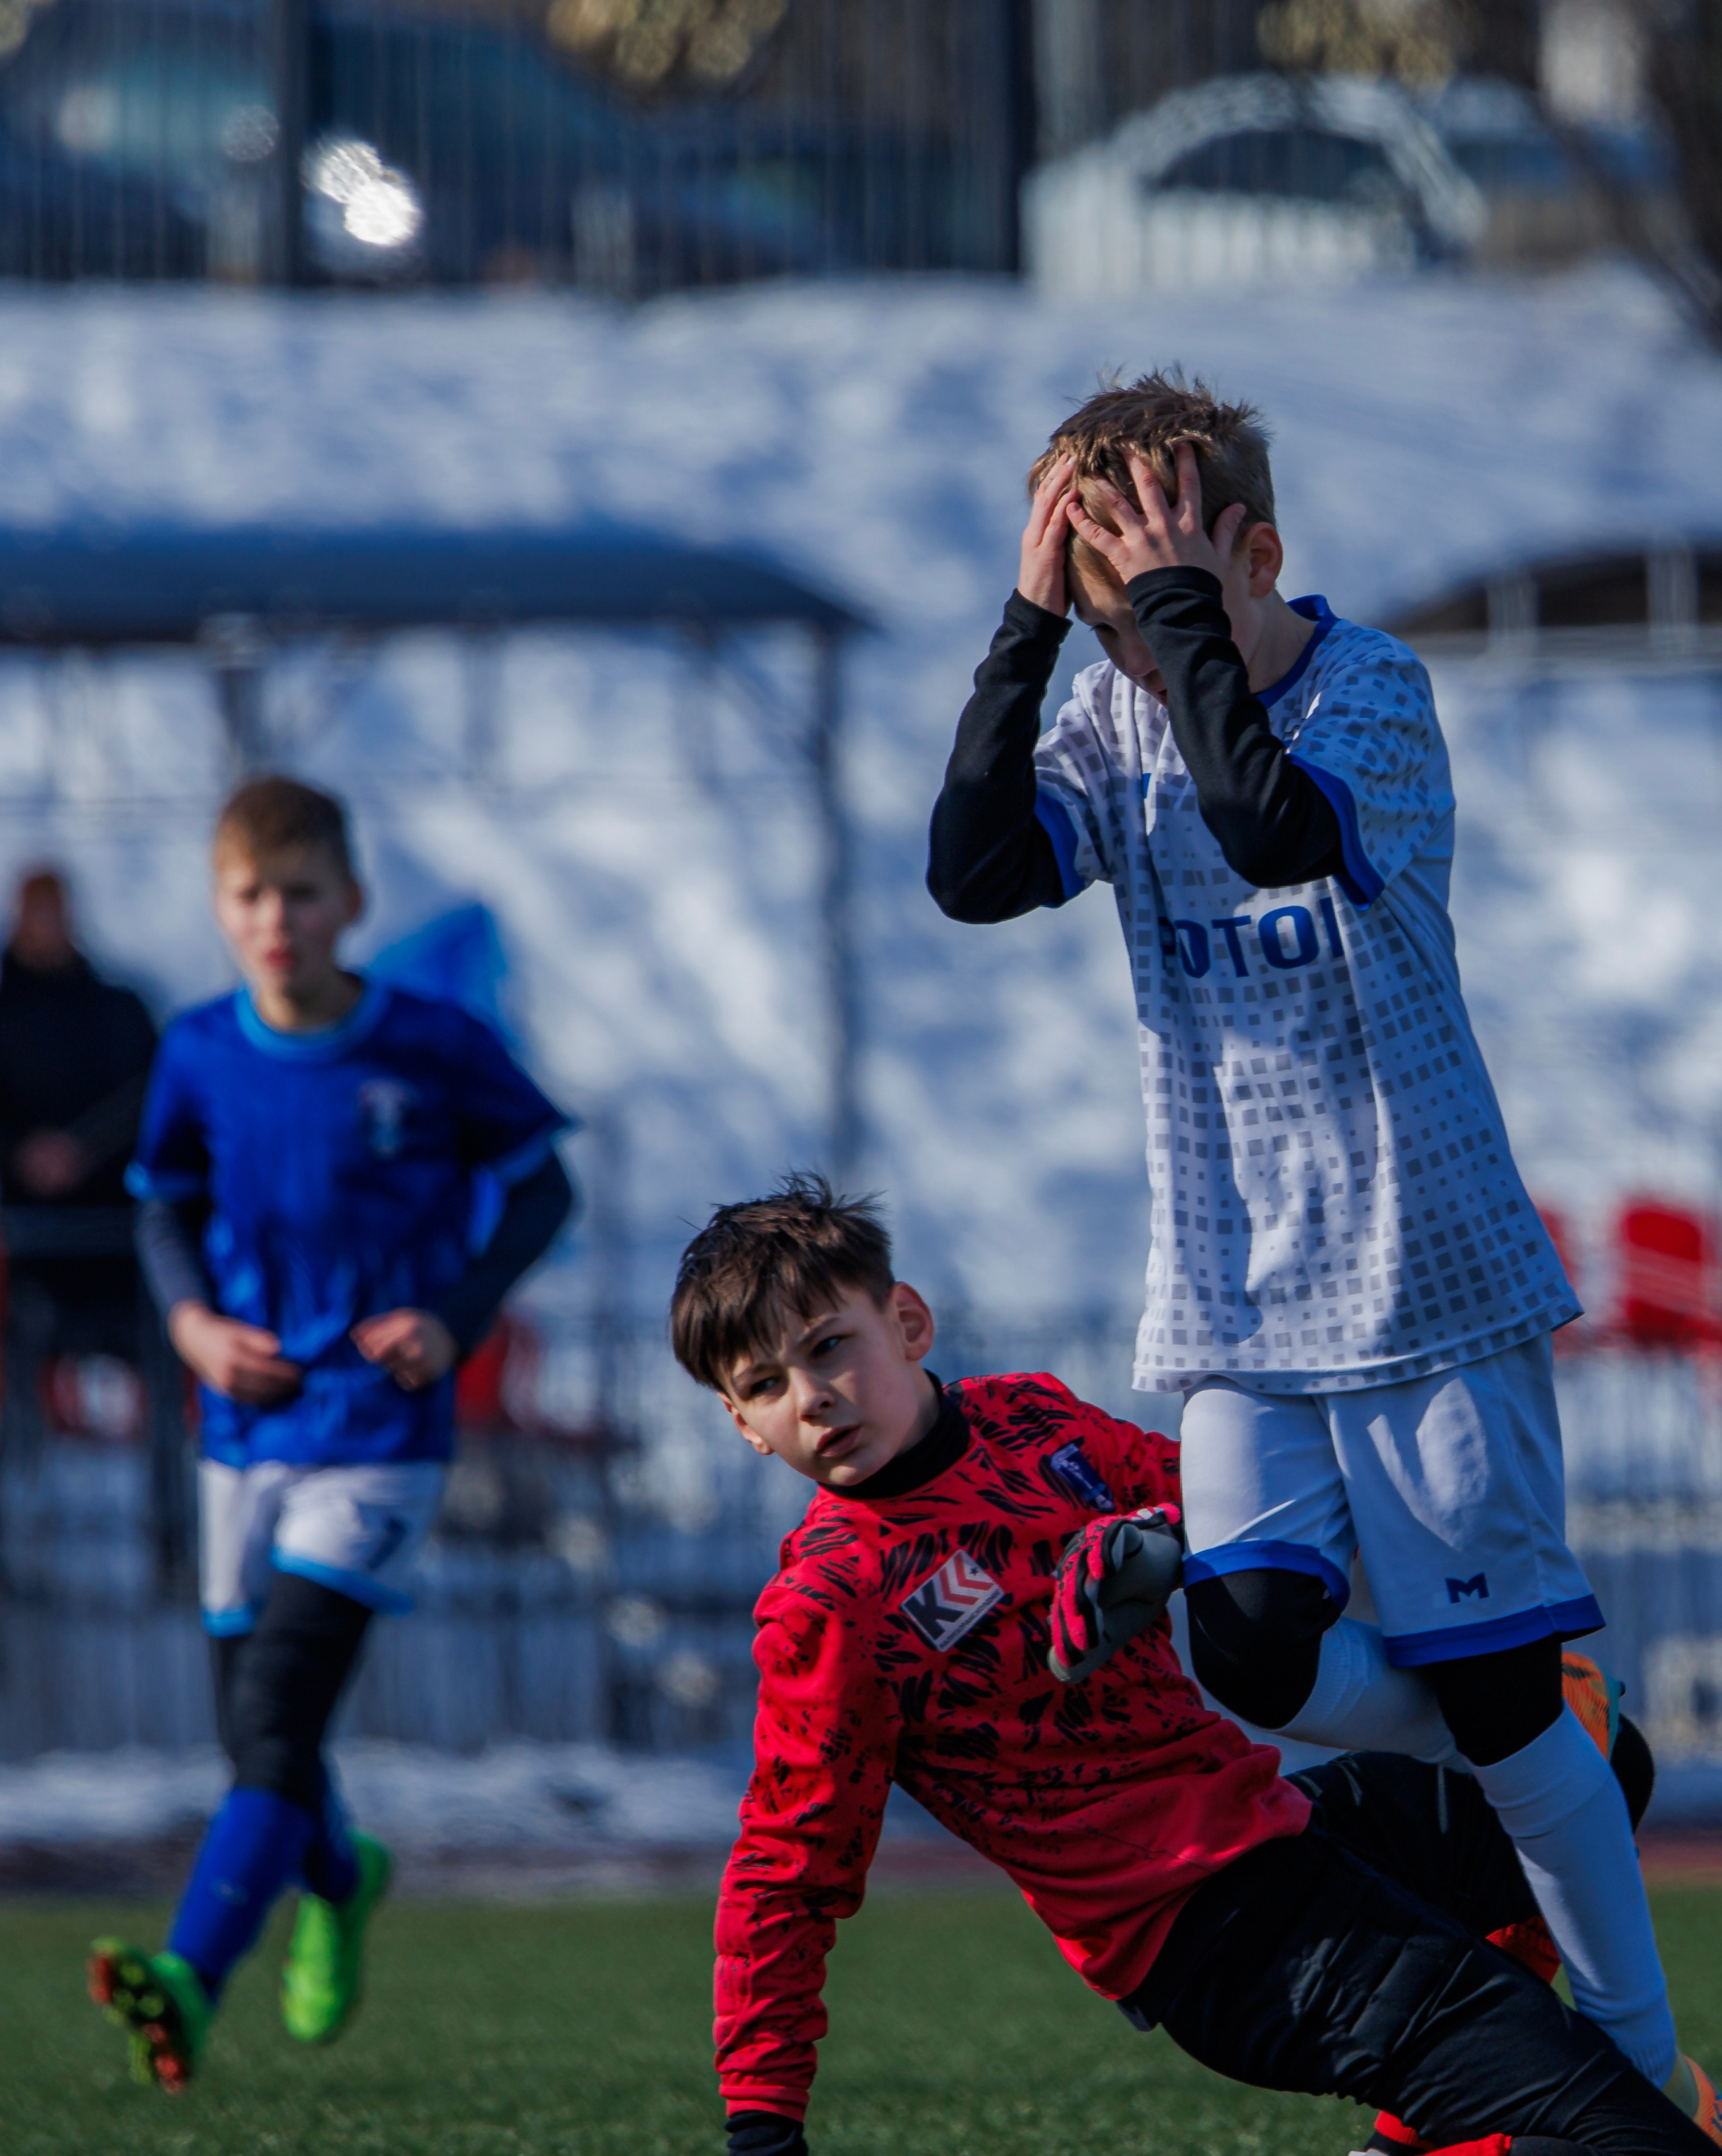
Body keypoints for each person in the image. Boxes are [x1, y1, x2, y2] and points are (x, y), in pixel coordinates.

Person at [924, 371, 1702, 2113]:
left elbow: (1268, 823)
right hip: (1234, 1289)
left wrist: (1181, 613)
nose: (1142, 661)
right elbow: (970, 867)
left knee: (1497, 1706)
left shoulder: (1380, 694)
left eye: (1166, 613)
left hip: (1424, 1277)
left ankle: (1647, 2070)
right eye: (1118, 626)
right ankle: (1541, 1731)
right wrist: (1030, 630)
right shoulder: (1119, 709)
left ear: (1253, 555)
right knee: (1247, 1642)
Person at [671, 1175, 1719, 2156]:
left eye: (829, 1347)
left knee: (1593, 1755)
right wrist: (765, 2128)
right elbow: (786, 1873)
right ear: (741, 1423)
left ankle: (1418, 2133)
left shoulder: (1028, 1418)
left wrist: (1158, 1533)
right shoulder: (832, 1604)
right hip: (1223, 1942)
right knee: (1642, 2142)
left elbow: (1220, 1506)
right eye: (765, 1384)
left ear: (907, 1323)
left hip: (1283, 1825)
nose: (810, 1397)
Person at [88, 775, 575, 2092]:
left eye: (301, 891)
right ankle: (342, 1872)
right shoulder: (197, 1049)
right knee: (257, 1735)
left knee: (283, 1706)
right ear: (220, 909)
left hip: (377, 1431)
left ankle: (188, 1974)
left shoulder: (428, 1044)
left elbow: (543, 1188)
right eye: (250, 894)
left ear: (350, 901)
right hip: (242, 1431)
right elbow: (161, 1209)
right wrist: (191, 1326)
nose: (277, 917)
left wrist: (453, 1315)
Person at [0, 866, 157, 1344]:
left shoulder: (118, 1011)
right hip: (19, 1248)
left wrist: (85, 1150)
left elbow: (151, 1098)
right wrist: (20, 1153)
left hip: (114, 1247)